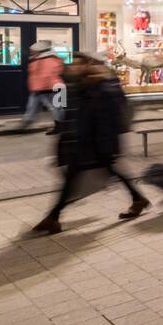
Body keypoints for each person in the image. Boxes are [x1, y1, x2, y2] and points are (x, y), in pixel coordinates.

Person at [32, 53, 148, 234]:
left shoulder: (101, 86)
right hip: (85, 142)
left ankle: (54, 217)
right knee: (99, 173)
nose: (75, 68)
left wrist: (104, 144)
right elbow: (72, 114)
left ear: (88, 65)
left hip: (96, 143)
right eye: (73, 65)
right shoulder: (81, 85)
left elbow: (107, 119)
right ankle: (138, 198)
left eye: (79, 65)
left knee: (75, 178)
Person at [20, 41, 64, 131]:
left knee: (56, 108)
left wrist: (39, 88)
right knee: (33, 106)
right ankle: (26, 123)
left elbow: (46, 75)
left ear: (40, 51)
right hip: (42, 88)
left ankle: (60, 126)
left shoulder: (47, 61)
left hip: (49, 88)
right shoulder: (40, 60)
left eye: (33, 51)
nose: (31, 53)